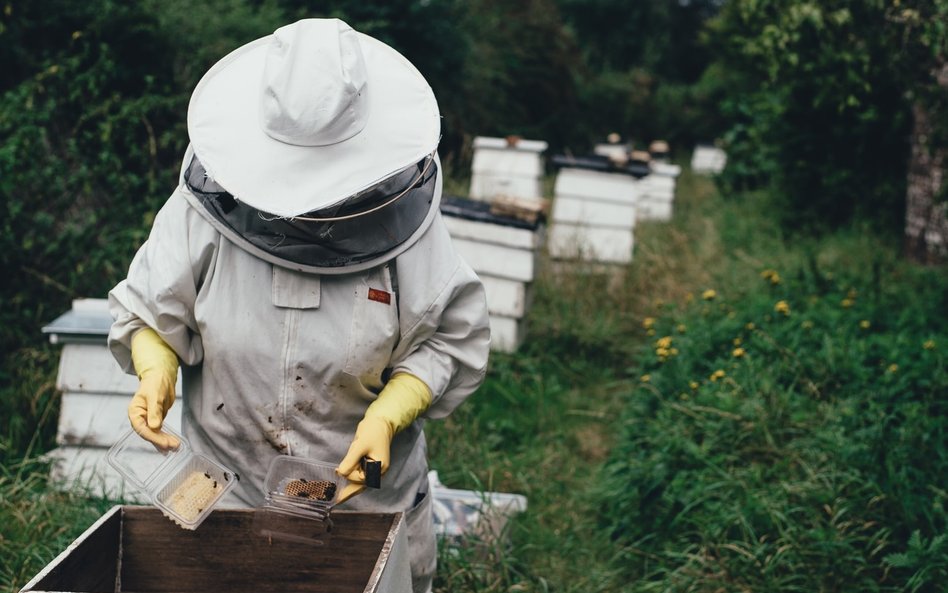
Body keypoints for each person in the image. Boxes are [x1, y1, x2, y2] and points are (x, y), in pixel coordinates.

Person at [107, 17, 490, 593]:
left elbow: (446, 339)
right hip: (223, 494)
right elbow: (150, 308)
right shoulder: (200, 216)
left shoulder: (410, 229)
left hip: (361, 506)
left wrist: (389, 415)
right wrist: (155, 367)